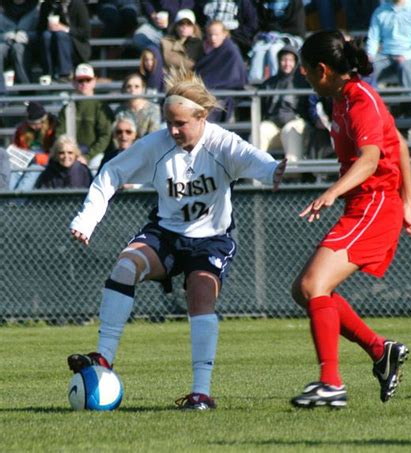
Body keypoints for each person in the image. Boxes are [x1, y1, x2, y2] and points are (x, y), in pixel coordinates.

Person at [66, 67, 287, 410]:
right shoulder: (157, 145)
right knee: (125, 267)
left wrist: (273, 170)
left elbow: (252, 158)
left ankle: (201, 392)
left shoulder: (221, 142)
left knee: (200, 292)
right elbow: (112, 171)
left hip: (211, 239)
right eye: (168, 121)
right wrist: (88, 217)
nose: (172, 129)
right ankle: (104, 358)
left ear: (201, 117)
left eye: (180, 123)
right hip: (165, 234)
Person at [289, 30, 411, 409]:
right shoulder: (343, 97)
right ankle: (379, 350)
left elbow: (371, 159)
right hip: (368, 204)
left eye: (305, 69)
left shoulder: (359, 101)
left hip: (374, 204)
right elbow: (397, 141)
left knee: (312, 284)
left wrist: (335, 191)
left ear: (323, 69)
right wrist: (409, 202)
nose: (302, 75)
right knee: (304, 290)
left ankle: (331, 383)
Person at [258, 44, 311, 162]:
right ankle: (255, 176)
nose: (287, 63)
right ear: (278, 61)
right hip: (273, 124)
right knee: (260, 129)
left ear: (296, 62)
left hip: (296, 123)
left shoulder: (303, 82)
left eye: (291, 60)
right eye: (284, 60)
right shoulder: (269, 83)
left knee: (290, 130)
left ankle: (293, 174)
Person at [56, 64, 114, 168]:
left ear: (94, 81)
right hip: (70, 153)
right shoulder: (67, 108)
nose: (84, 84)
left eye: (88, 80)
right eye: (80, 80)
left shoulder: (101, 107)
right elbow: (60, 134)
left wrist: (88, 156)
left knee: (96, 163)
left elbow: (105, 136)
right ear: (74, 83)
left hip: (95, 154)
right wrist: (70, 153)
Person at [366, 0, 411, 91]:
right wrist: (370, 55)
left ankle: (410, 102)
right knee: (367, 69)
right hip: (385, 55)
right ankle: (368, 101)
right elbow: (373, 38)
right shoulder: (379, 11)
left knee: (405, 67)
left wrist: (406, 56)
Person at [194, 20, 247, 123]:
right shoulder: (205, 49)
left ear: (224, 34)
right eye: (210, 35)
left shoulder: (231, 51)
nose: (213, 38)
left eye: (216, 35)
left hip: (225, 92)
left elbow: (235, 77)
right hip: (205, 91)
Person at [248, 0, 306, 84]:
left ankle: (276, 84)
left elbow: (297, 28)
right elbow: (261, 25)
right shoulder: (264, 3)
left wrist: (278, 34)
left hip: (292, 37)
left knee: (274, 50)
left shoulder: (295, 3)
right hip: (270, 38)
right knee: (258, 50)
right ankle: (254, 85)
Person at [37, 0, 91, 83]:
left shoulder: (78, 5)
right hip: (52, 43)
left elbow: (85, 32)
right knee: (46, 35)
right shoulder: (47, 5)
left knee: (61, 35)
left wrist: (65, 29)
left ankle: (65, 73)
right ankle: (48, 72)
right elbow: (39, 29)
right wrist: (48, 27)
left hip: (75, 45)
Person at [10, 101, 57, 190]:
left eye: (37, 123)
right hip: (24, 160)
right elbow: (17, 148)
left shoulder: (52, 129)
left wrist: (38, 158)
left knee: (31, 174)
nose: (34, 127)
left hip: (43, 162)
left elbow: (54, 153)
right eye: (31, 124)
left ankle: (17, 202)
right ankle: (6, 199)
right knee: (13, 173)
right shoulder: (21, 129)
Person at [0, 0, 39, 84]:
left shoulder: (35, 9)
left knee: (18, 48)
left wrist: (27, 36)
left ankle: (26, 89)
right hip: (5, 44)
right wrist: (6, 36)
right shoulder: (2, 8)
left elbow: (40, 33)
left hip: (27, 46)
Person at [114, 72, 161, 138]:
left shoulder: (154, 109)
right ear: (124, 89)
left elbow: (153, 136)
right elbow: (117, 137)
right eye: (129, 86)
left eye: (137, 86)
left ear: (143, 89)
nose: (132, 90)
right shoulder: (120, 110)